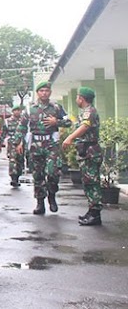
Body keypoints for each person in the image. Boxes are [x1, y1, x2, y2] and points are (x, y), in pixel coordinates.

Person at [14, 81, 71, 215]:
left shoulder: (56, 107)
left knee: (52, 172)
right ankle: (40, 203)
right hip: (35, 144)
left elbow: (69, 121)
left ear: (50, 92)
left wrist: (57, 122)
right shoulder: (29, 108)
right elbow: (21, 126)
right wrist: (18, 143)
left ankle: (52, 195)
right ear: (37, 93)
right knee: (37, 174)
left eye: (46, 90)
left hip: (51, 143)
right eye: (41, 91)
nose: (44, 93)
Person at [63, 87, 103, 226]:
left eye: (77, 97)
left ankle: (95, 213)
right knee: (87, 182)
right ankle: (91, 211)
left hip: (90, 151)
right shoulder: (86, 111)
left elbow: (85, 127)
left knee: (92, 182)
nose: (76, 100)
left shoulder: (89, 111)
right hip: (86, 151)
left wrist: (70, 138)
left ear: (81, 98)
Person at [0, 105, 25, 187]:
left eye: (19, 110)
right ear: (12, 111)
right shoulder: (7, 121)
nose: (17, 112)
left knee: (20, 161)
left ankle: (17, 177)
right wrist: (0, 144)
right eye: (15, 110)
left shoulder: (24, 121)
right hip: (12, 143)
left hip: (22, 143)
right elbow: (3, 133)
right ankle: (13, 178)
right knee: (12, 160)